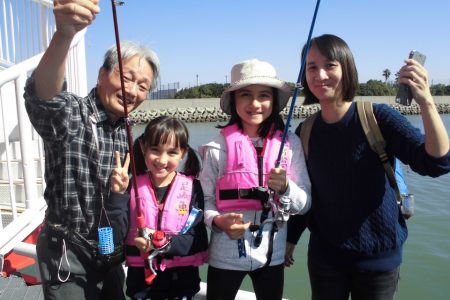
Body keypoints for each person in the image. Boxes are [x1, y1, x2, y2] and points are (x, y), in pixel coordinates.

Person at [287, 34, 450, 300]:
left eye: (330, 65)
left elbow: (435, 162)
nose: (320, 74)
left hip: (379, 262)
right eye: (311, 67)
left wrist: (426, 101)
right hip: (325, 259)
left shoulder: (377, 117)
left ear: (346, 68)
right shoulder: (305, 131)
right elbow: (308, 193)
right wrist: (291, 239)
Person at [23, 0, 160, 299]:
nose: (133, 90)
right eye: (126, 77)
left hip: (108, 250)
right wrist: (64, 35)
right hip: (66, 251)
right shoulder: (72, 114)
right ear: (101, 75)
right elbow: (44, 97)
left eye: (143, 85)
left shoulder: (126, 133)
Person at [199, 59, 311, 300]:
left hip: (273, 255)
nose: (255, 104)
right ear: (234, 100)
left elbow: (305, 204)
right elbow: (204, 201)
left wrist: (287, 188)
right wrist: (218, 222)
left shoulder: (290, 145)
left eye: (264, 95)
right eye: (246, 95)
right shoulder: (216, 148)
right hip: (225, 257)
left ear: (273, 100)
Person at [124, 116, 209, 300]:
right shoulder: (130, 186)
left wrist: (159, 243)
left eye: (172, 152)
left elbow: (199, 239)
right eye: (155, 150)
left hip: (182, 281)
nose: (162, 160)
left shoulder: (193, 188)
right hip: (142, 283)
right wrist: (116, 192)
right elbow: (118, 228)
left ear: (183, 153)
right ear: (143, 148)